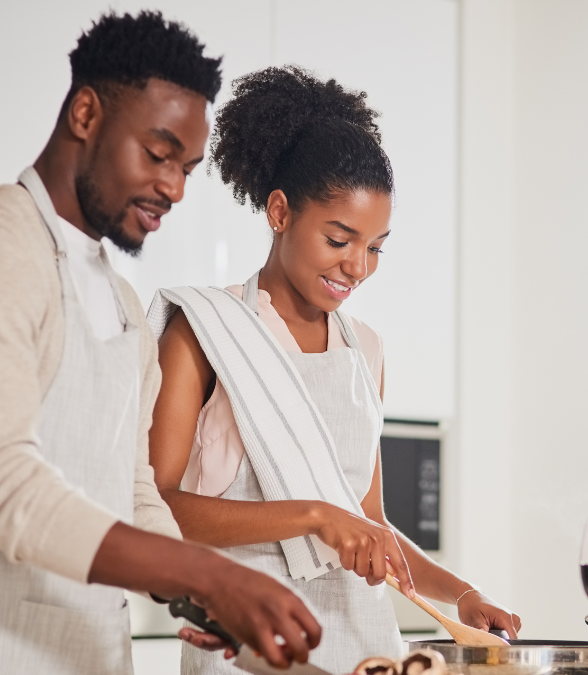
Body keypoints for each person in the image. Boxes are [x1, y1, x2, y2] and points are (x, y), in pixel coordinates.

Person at [0, 13, 321, 675]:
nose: (175, 188)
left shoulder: (122, 303)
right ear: (85, 113)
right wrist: (206, 570)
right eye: (159, 154)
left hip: (86, 651)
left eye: (187, 168)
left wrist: (197, 592)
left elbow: (130, 489)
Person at [148, 66, 521, 675]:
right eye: (340, 238)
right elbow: (160, 509)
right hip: (249, 644)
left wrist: (462, 593)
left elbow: (369, 526)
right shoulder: (205, 331)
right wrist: (316, 516)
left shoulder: (364, 350)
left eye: (374, 247)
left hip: (362, 645)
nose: (357, 267)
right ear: (279, 212)